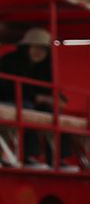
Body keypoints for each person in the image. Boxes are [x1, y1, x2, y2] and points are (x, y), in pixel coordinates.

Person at [0, 27, 56, 164]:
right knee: (26, 111)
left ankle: (56, 159)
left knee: (54, 114)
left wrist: (54, 99)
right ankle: (26, 156)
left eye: (43, 49)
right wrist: (35, 97)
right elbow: (6, 87)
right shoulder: (10, 61)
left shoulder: (44, 67)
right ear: (27, 47)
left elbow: (46, 89)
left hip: (29, 103)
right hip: (7, 100)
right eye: (36, 47)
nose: (39, 52)